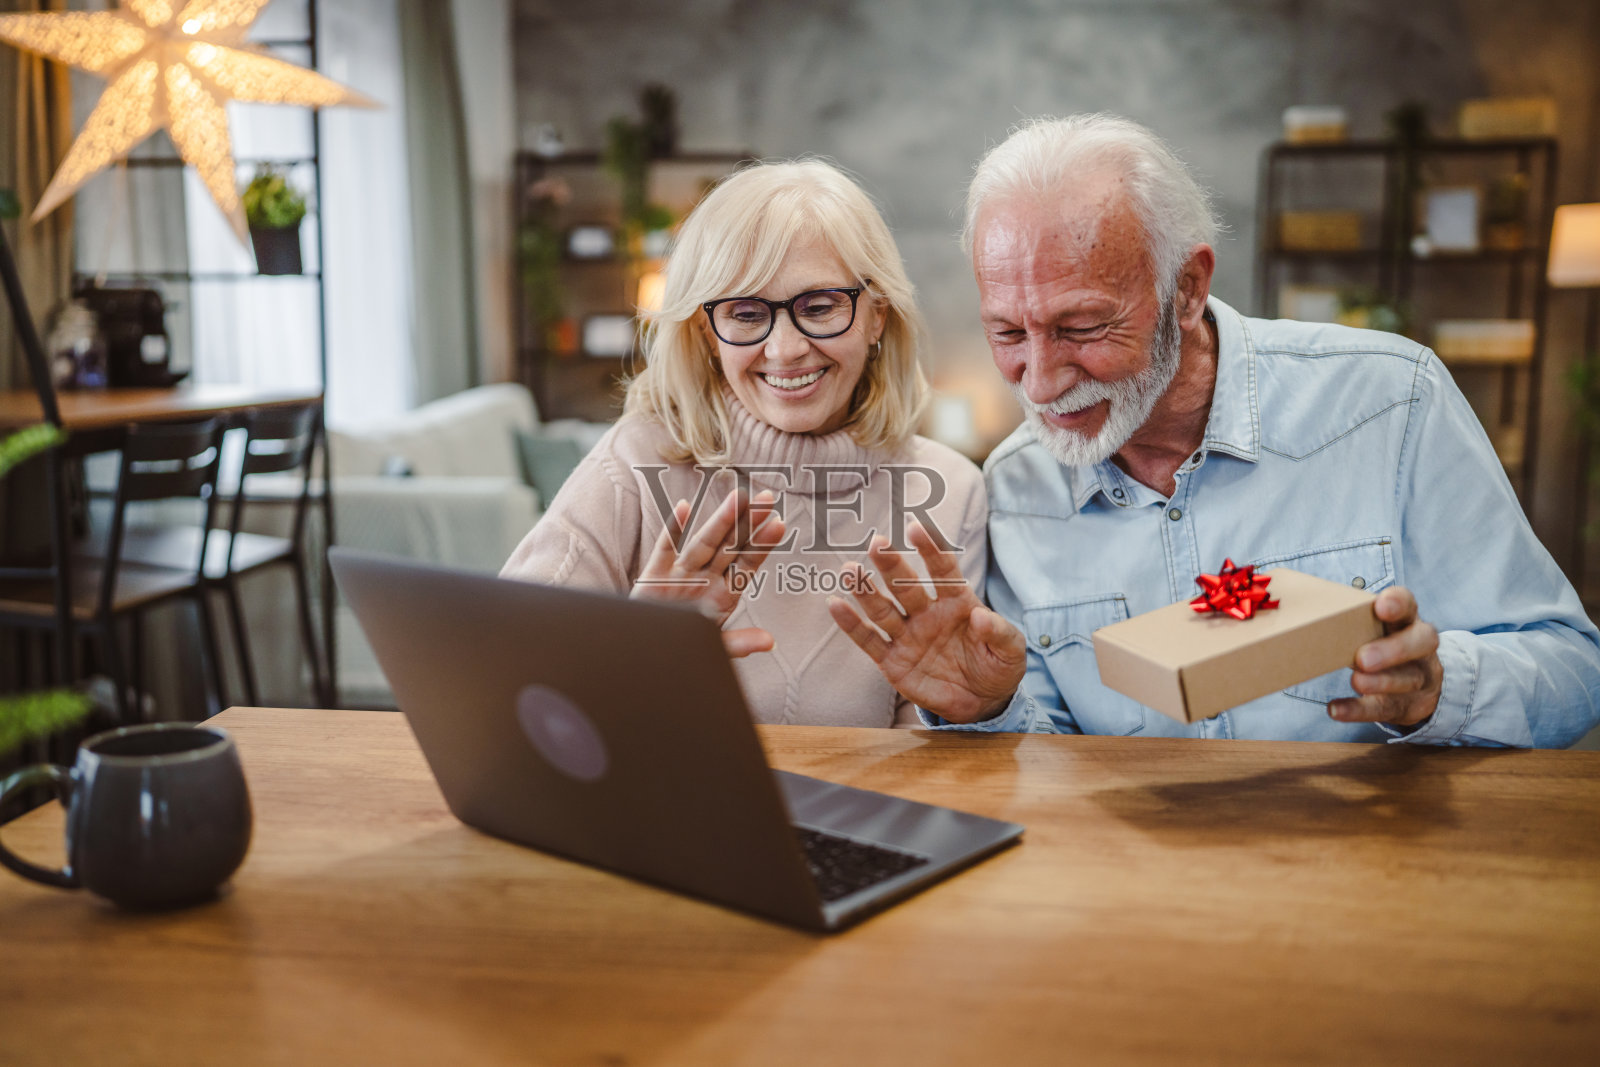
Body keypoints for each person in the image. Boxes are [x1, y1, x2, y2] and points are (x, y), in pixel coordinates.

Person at [828, 114, 1600, 747]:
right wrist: (987, 709)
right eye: (1007, 333)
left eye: (1083, 326)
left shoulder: (1392, 402)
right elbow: (1053, 762)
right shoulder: (1016, 485)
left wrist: (1438, 689)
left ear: (1188, 288)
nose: (1040, 380)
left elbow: (1575, 673)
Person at [501, 159, 987, 728]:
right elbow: (497, 682)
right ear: (708, 333)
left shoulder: (950, 491)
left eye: (819, 307)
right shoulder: (634, 462)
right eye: (746, 313)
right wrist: (628, 659)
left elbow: (937, 746)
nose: (785, 350)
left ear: (877, 315)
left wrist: (965, 711)